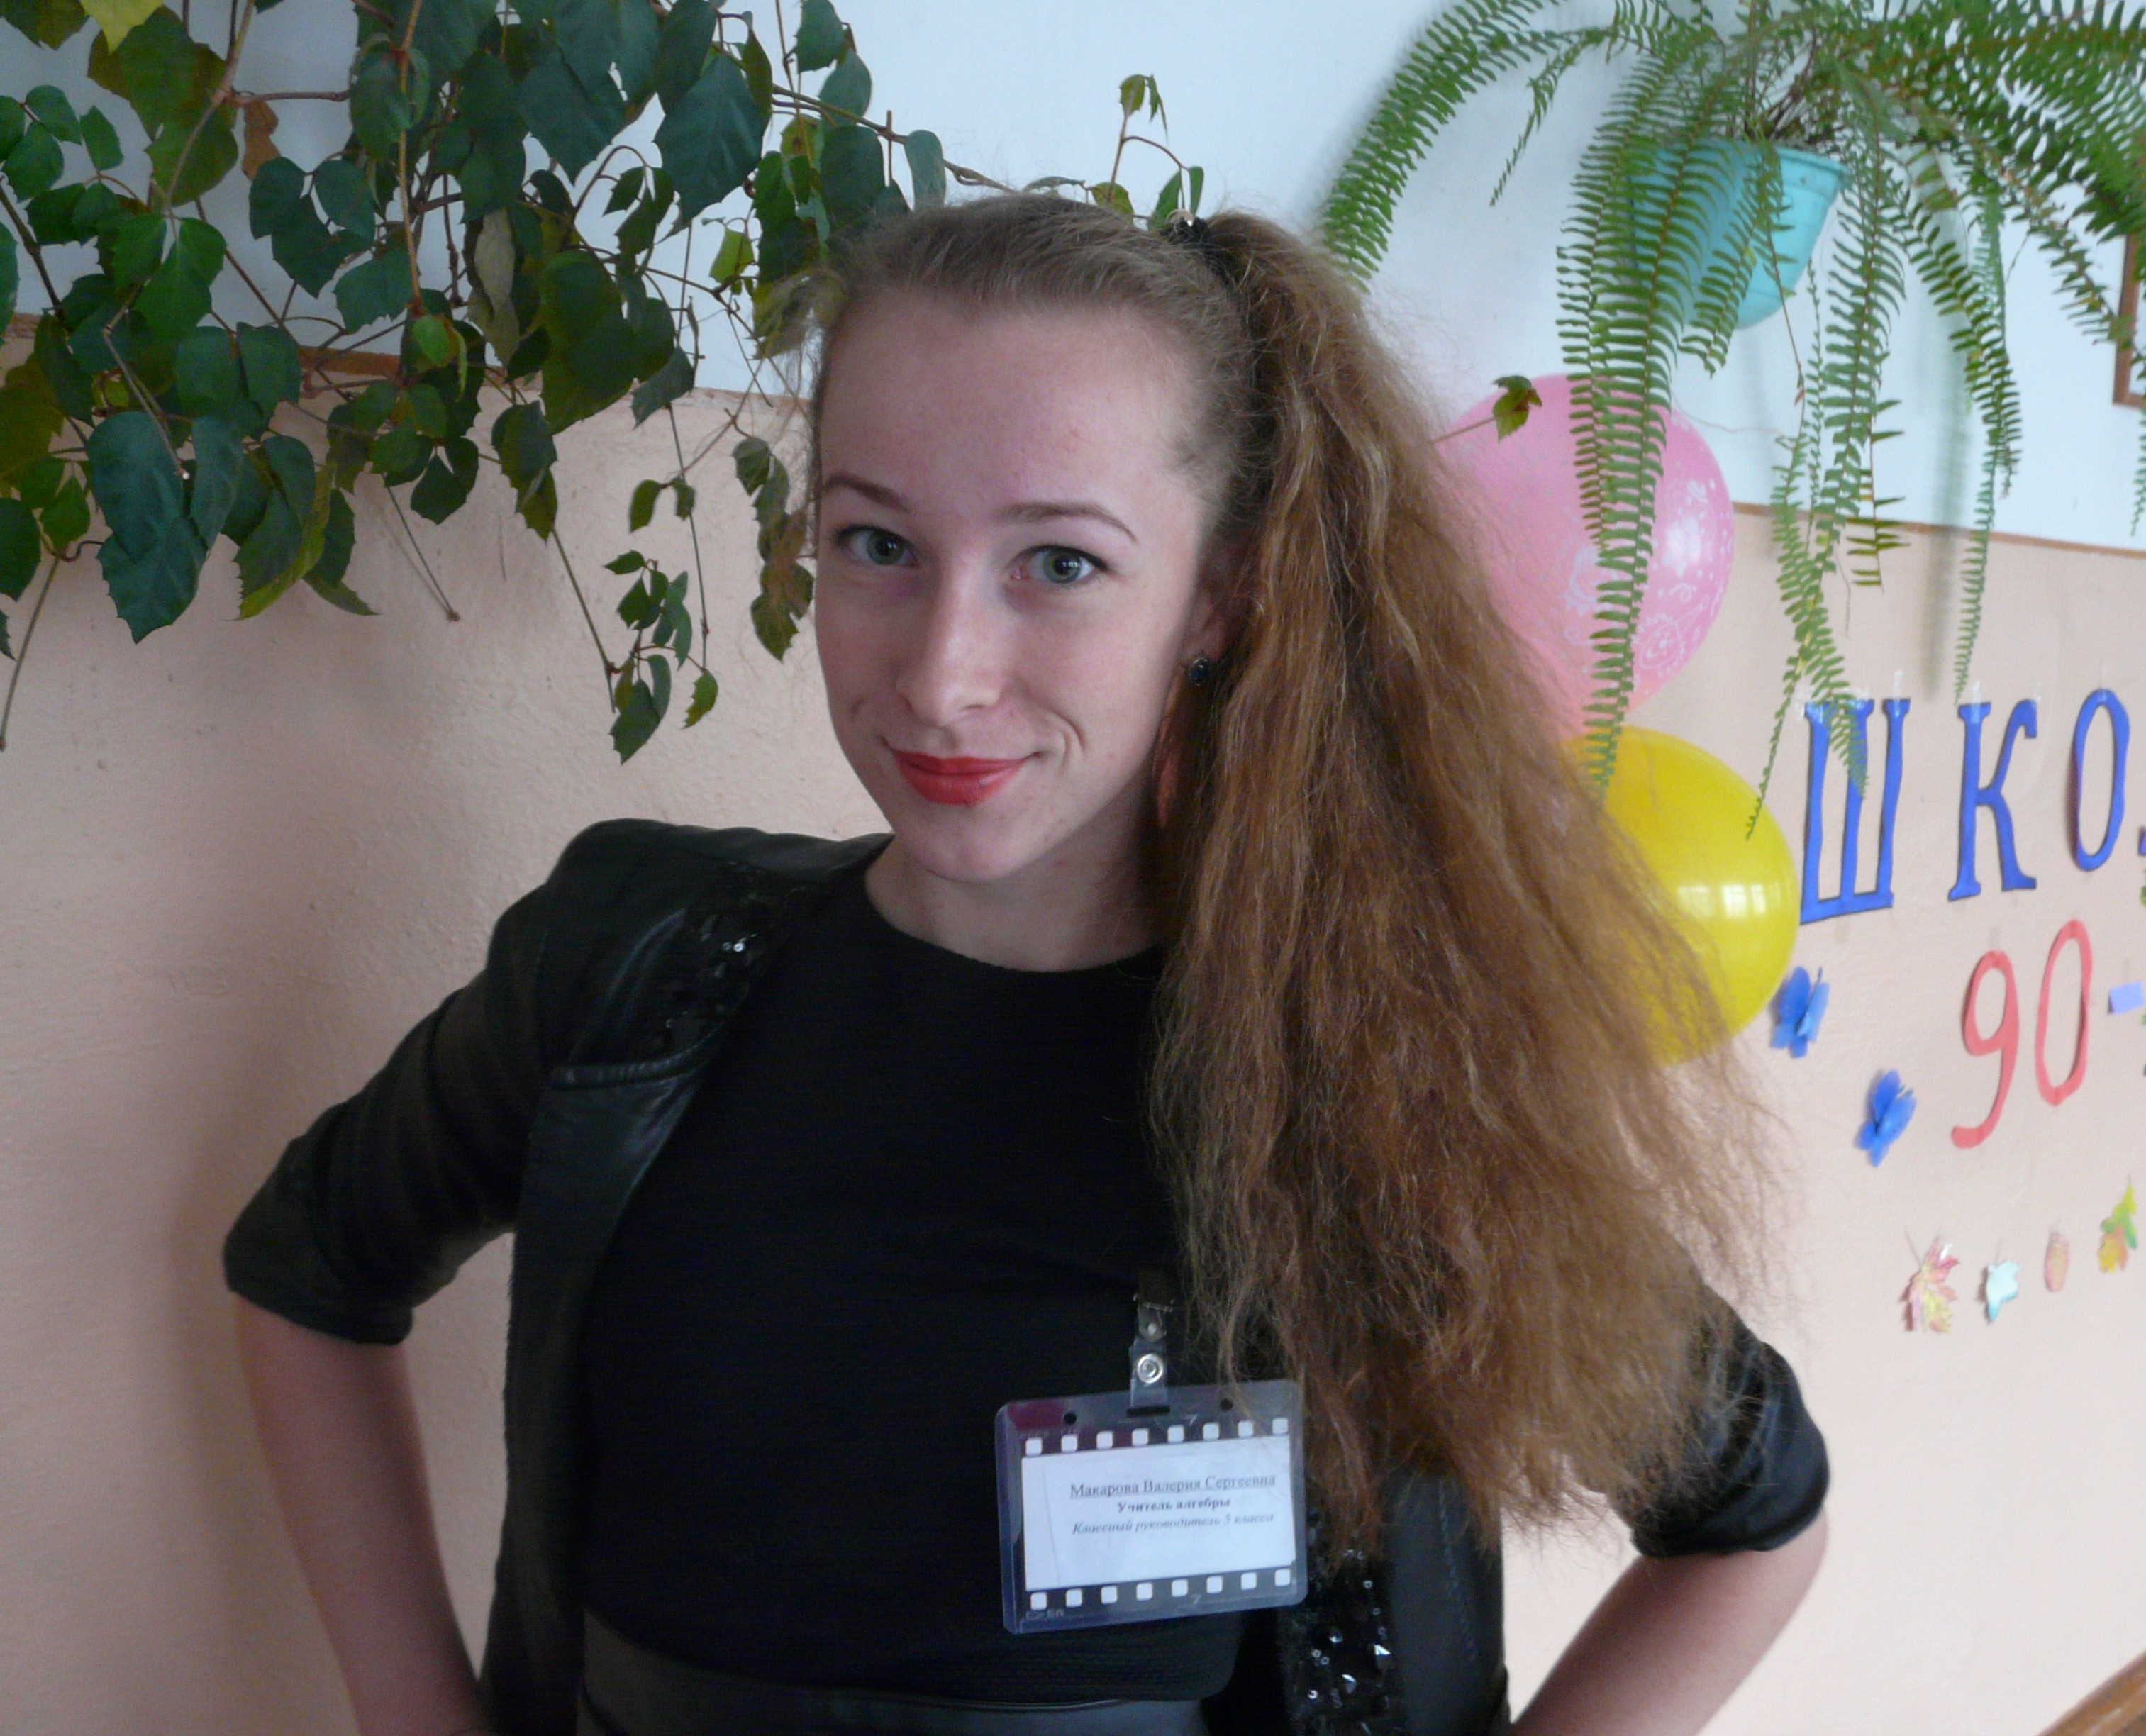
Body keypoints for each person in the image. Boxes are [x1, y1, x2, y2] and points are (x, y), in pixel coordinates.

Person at [223, 192, 1828, 1736]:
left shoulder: (1361, 1072)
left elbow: (1753, 1520)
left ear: (1220, 594)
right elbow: (309, 1270)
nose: (943, 676)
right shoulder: (627, 969)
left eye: (1059, 563)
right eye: (877, 543)